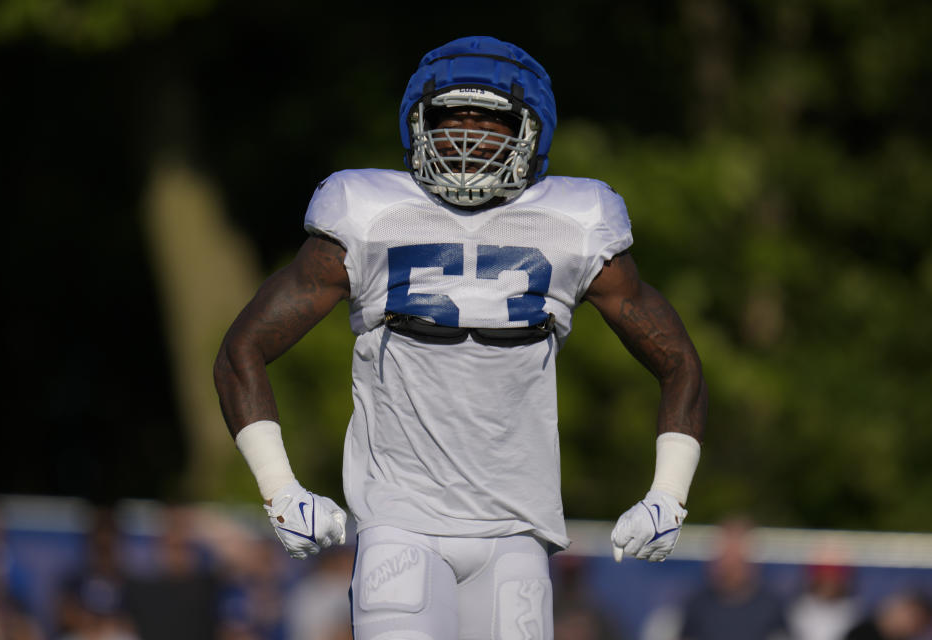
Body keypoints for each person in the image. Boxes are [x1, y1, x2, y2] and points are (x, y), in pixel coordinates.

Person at [214, 35, 708, 640]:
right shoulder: (367, 213)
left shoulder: (575, 223)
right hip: (402, 522)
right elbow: (243, 349)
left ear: (530, 131)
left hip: (517, 530)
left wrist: (668, 494)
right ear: (419, 125)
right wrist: (280, 489)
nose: (468, 134)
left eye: (490, 117)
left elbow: (678, 361)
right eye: (451, 116)